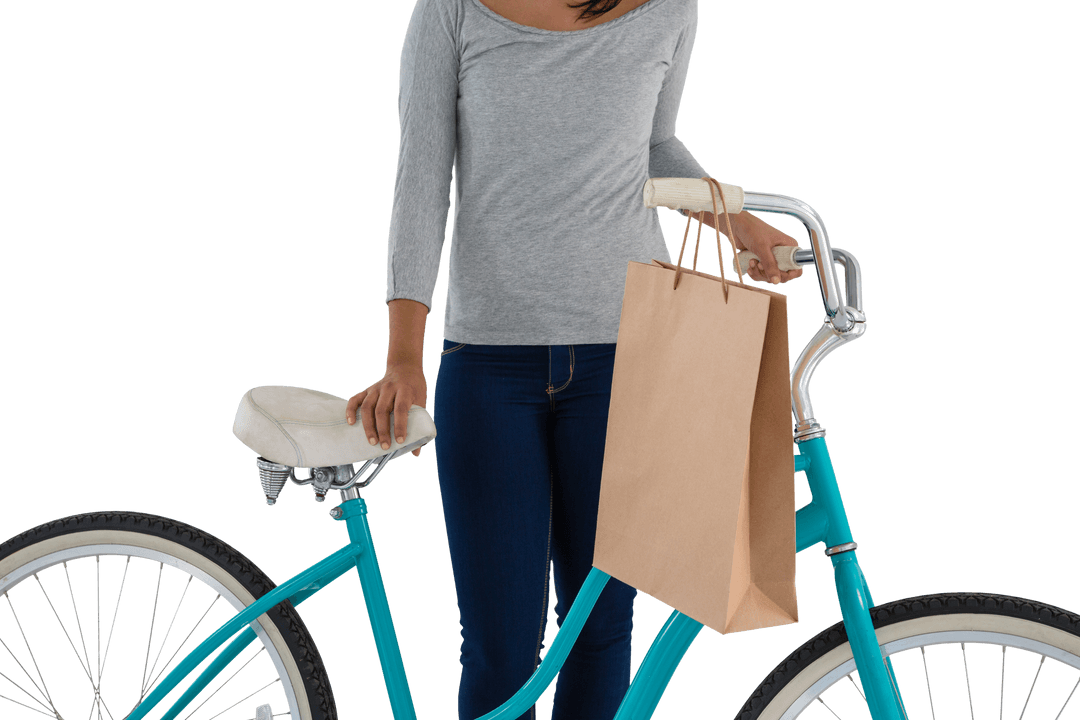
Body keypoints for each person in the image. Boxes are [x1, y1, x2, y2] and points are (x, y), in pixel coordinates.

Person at [346, 0, 801, 718]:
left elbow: (654, 143)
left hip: (628, 358)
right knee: (498, 649)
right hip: (488, 364)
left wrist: (738, 222)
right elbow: (421, 177)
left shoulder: (669, 9)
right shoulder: (452, 10)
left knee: (600, 632)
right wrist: (404, 354)